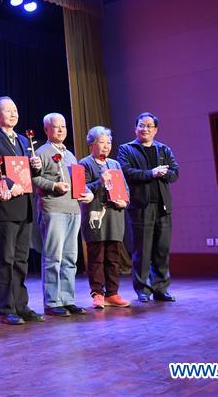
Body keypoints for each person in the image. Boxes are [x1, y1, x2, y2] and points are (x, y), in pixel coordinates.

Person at [0, 97, 45, 325]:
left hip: (24, 205)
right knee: (5, 260)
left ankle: (22, 305)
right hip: (6, 207)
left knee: (21, 259)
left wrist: (35, 168)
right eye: (8, 110)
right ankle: (7, 309)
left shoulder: (22, 139)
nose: (13, 114)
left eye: (15, 110)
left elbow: (28, 175)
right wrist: (7, 182)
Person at [31, 112, 93, 317]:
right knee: (53, 257)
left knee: (69, 257)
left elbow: (77, 181)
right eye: (56, 127)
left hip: (73, 210)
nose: (61, 130)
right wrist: (53, 185)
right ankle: (52, 301)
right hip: (53, 209)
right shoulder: (41, 152)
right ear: (46, 130)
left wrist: (87, 192)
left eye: (63, 126)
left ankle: (68, 299)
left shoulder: (70, 155)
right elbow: (34, 180)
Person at [117, 112, 180, 302]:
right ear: (135, 128)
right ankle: (143, 289)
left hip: (163, 206)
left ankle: (161, 288)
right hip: (140, 206)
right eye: (142, 126)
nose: (145, 129)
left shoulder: (164, 150)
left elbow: (175, 172)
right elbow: (126, 171)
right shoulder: (127, 149)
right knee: (142, 250)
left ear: (155, 130)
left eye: (149, 126)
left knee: (162, 249)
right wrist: (150, 173)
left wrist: (165, 173)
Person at [78, 126, 131, 310]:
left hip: (114, 216)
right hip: (96, 217)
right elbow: (80, 190)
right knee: (97, 257)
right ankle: (98, 293)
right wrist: (99, 182)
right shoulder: (84, 164)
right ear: (91, 144)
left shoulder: (115, 164)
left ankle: (112, 293)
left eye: (108, 142)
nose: (106, 146)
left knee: (113, 258)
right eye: (102, 142)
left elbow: (124, 187)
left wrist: (125, 200)